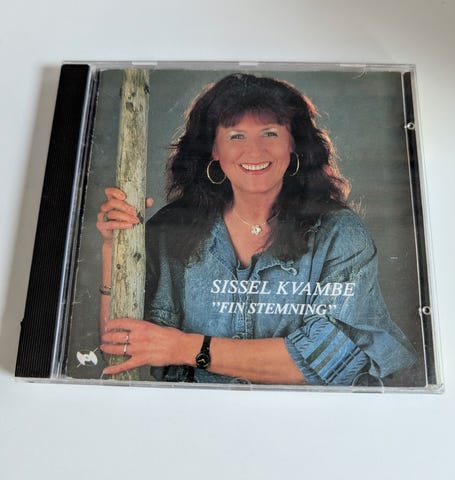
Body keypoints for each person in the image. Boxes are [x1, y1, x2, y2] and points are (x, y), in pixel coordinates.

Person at [97, 73, 416, 385]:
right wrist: (114, 248)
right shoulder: (170, 231)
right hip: (194, 414)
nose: (254, 151)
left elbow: (328, 364)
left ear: (293, 143)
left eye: (269, 133)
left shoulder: (340, 234)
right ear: (214, 149)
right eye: (236, 136)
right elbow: (122, 345)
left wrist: (182, 347)